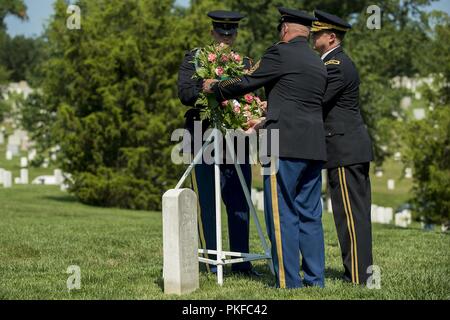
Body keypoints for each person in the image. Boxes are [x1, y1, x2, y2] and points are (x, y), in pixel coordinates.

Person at [204, 7, 328, 288]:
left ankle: (287, 282)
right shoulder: (317, 62)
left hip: (281, 144)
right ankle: (315, 280)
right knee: (310, 215)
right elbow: (297, 100)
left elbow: (247, 81)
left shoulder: (279, 53)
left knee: (281, 212)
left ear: (284, 28)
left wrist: (216, 87)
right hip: (314, 145)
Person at [177, 10, 259, 276]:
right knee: (207, 202)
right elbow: (185, 94)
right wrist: (206, 85)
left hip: (236, 142)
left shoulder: (245, 63)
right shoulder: (195, 59)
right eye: (221, 32)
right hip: (203, 137)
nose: (226, 37)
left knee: (239, 202)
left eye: (231, 32)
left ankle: (241, 262)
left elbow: (251, 99)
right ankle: (211, 261)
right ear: (212, 32)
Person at [311, 10, 374, 285]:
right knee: (348, 215)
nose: (313, 36)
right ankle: (358, 274)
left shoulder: (335, 64)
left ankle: (360, 276)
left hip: (346, 150)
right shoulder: (334, 62)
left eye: (318, 33)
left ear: (331, 37)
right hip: (345, 150)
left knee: (351, 217)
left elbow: (318, 100)